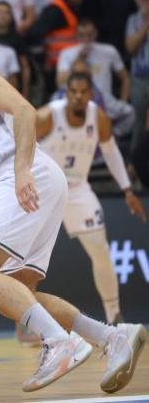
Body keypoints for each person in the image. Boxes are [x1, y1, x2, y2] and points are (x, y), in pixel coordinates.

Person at [0, 0, 148, 393]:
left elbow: (24, 110)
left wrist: (20, 172)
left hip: (25, 174)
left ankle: (60, 342)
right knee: (16, 297)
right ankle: (111, 337)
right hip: (23, 177)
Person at [37, 72, 147, 325]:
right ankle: (23, 320)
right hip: (45, 191)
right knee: (28, 257)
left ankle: (114, 317)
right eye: (73, 91)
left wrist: (128, 190)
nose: (78, 96)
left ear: (91, 94)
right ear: (66, 93)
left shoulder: (98, 117)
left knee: (101, 251)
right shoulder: (47, 116)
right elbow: (21, 146)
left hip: (77, 189)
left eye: (83, 91)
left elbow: (112, 153)